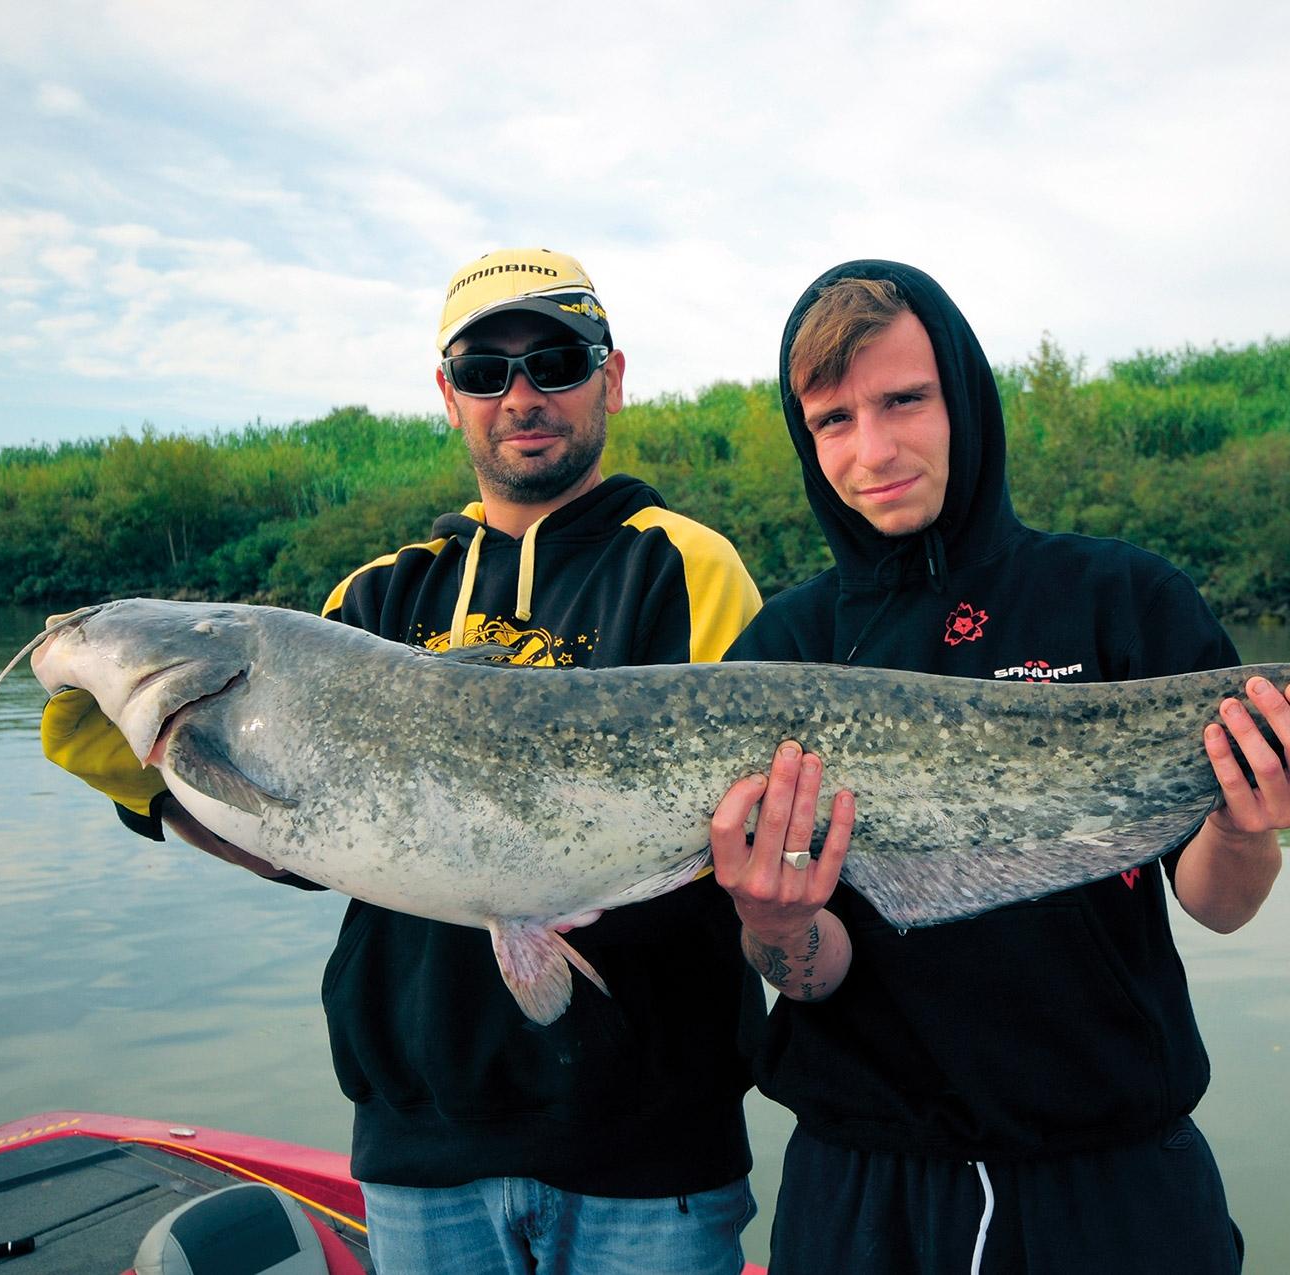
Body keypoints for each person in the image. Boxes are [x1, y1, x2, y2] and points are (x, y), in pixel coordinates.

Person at [43, 248, 766, 1275]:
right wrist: (159, 783)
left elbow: (747, 842)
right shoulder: (375, 598)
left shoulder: (688, 567)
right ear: (448, 394)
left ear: (611, 377)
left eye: (557, 361)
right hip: (418, 1147)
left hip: (652, 1147)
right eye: (485, 370)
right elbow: (301, 844)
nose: (521, 395)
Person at [707, 260, 1290, 1273]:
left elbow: (1220, 906)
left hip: (1118, 1178)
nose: (872, 450)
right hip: (865, 1188)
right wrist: (775, 923)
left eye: (904, 400)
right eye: (833, 420)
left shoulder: (1122, 598)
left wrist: (1242, 823)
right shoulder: (777, 655)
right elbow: (815, 973)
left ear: (963, 398)